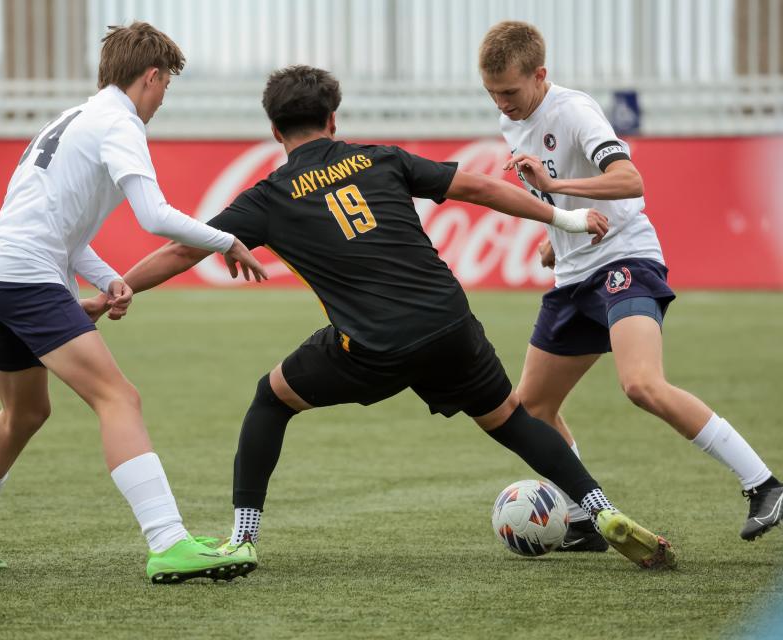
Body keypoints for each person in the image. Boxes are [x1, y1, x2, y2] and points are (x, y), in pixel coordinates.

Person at [91, 65, 677, 571]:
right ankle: (603, 511)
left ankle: (242, 539)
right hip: (450, 325)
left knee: (270, 400)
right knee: (512, 420)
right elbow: (477, 187)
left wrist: (120, 286)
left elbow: (183, 249)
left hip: (369, 346)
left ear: (274, 131)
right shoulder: (381, 159)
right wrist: (568, 222)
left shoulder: (268, 197)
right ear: (334, 120)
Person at [0, 22, 267, 584]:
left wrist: (108, 280)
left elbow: (60, 228)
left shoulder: (69, 119)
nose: (161, 101)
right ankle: (169, 542)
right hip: (28, 279)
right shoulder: (120, 123)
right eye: (165, 87)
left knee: (25, 413)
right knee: (118, 398)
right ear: (151, 76)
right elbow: (153, 216)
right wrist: (225, 239)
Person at [478, 20, 781, 550]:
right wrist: (558, 232)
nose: (501, 102)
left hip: (624, 261)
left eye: (509, 91)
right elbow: (569, 196)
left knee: (641, 384)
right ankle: (581, 519)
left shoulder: (572, 110)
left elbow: (629, 180)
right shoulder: (516, 120)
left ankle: (766, 485)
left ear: (540, 75)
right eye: (491, 92)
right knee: (532, 408)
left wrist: (554, 191)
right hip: (574, 274)